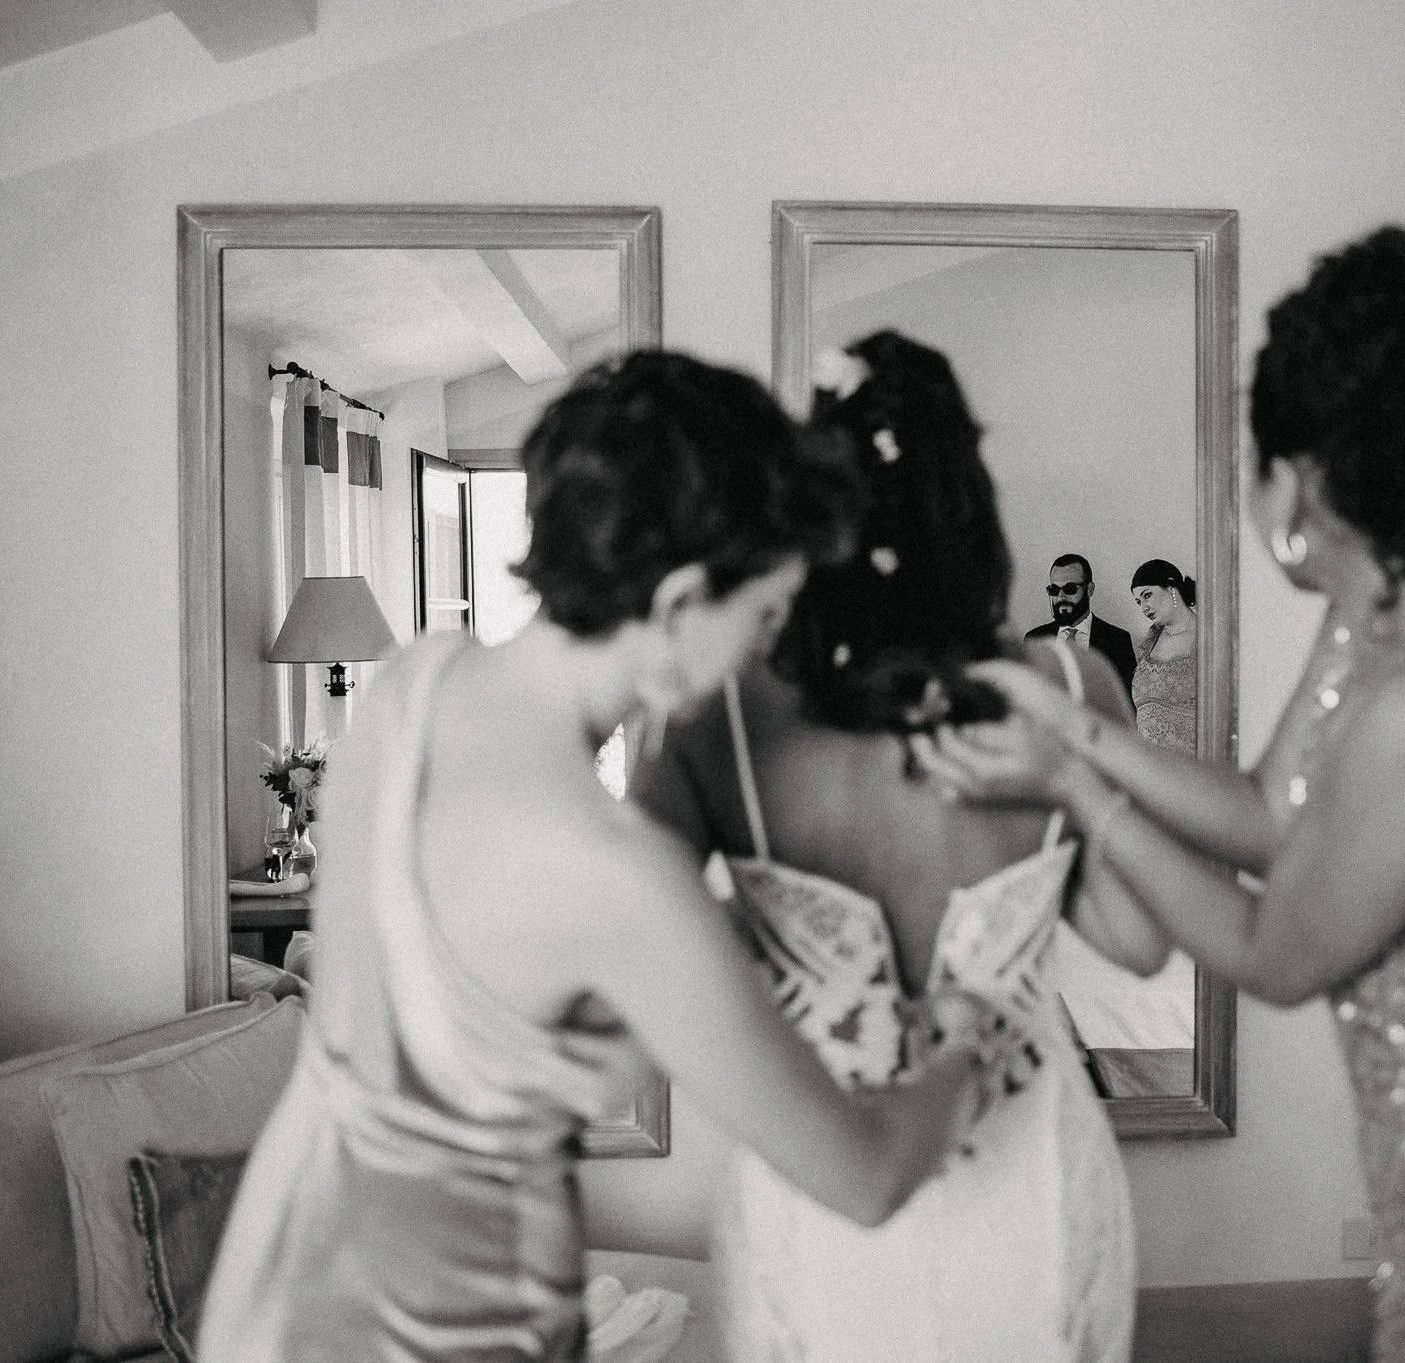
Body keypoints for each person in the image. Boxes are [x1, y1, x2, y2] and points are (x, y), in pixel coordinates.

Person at [915, 226, 1405, 1363]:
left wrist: (1074, 785)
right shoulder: (1386, 606)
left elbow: (1273, 951)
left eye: (1255, 460)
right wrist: (1077, 722)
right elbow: (1273, 816)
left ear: (1303, 479)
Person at [197, 352, 1001, 1361]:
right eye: (761, 615)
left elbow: (465, 1027)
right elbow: (865, 1175)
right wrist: (965, 1049)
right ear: (674, 606)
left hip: (286, 1280)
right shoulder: (612, 875)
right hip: (451, 1321)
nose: (764, 650)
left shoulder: (412, 687)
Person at [632, 330, 1163, 1363]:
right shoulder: (1064, 689)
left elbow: (638, 962)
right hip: (1035, 1187)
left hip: (819, 1187)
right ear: (968, 497)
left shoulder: (720, 714)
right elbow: (1140, 943)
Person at [1025, 552, 1138, 696]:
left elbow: (1128, 704)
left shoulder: (1117, 640)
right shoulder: (1035, 639)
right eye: (1054, 590)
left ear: (1089, 589)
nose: (1060, 597)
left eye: (1070, 589)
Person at [1127, 558, 1198, 752]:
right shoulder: (1151, 640)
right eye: (1138, 601)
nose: (1143, 607)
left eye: (1147, 595)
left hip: (1191, 763)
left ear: (1172, 589)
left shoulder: (1207, 636)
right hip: (1150, 766)